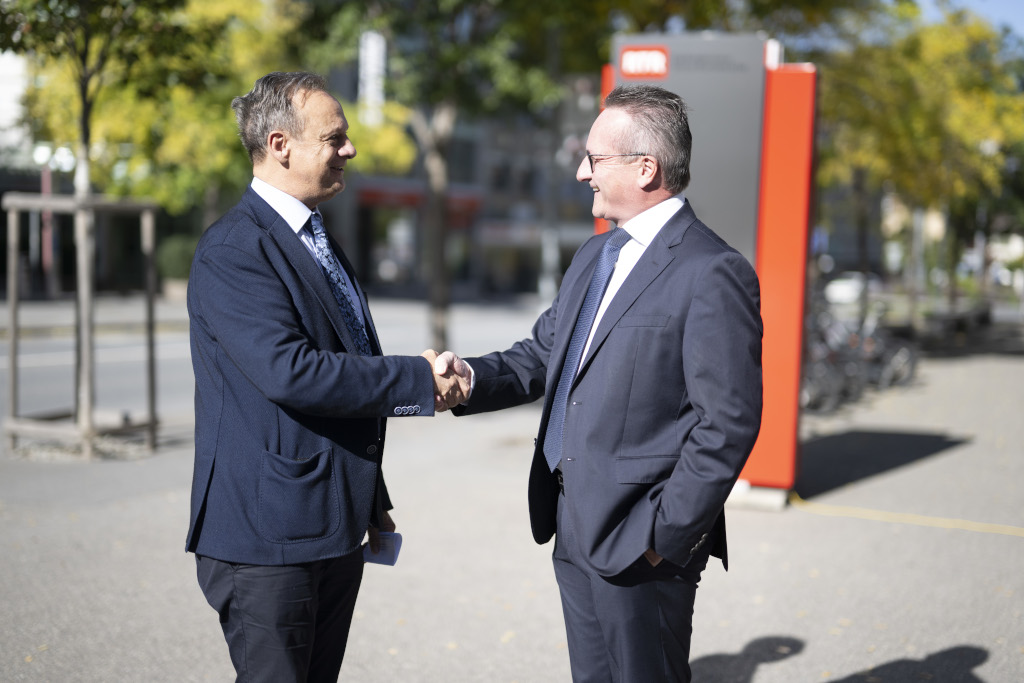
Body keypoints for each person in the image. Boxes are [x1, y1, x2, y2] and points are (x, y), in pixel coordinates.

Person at [440, 84, 763, 682]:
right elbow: (541, 355)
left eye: (596, 157)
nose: (584, 172)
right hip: (571, 522)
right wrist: (467, 379)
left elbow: (730, 422)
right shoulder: (596, 255)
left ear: (647, 168)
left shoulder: (713, 271)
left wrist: (664, 537)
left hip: (640, 545)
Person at [185, 71, 468, 683]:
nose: (351, 150)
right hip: (269, 539)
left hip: (329, 524)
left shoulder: (314, 236)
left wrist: (370, 498)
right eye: (335, 137)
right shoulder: (235, 248)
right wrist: (419, 380)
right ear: (281, 144)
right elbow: (295, 374)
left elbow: (348, 367)